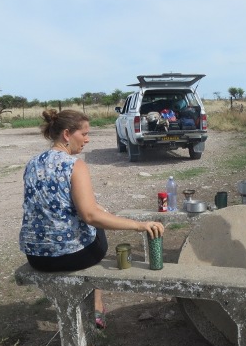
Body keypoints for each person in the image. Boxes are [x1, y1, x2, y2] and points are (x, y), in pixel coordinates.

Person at [19, 109, 164, 329]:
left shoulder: (32, 163)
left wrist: (98, 210)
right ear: (67, 134)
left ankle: (87, 301)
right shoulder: (74, 165)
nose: (87, 139)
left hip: (36, 257)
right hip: (69, 257)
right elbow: (89, 215)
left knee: (95, 219)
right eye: (84, 134)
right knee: (96, 227)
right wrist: (139, 225)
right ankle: (97, 304)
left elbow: (55, 202)